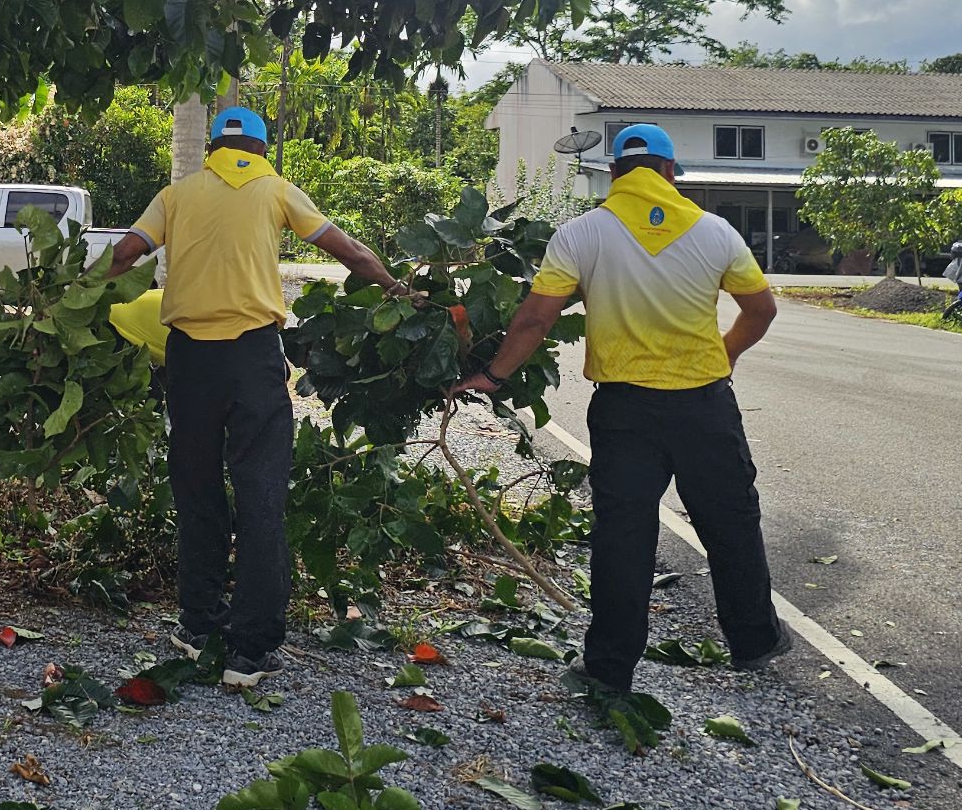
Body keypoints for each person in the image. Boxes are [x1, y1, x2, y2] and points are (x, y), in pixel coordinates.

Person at [453, 123, 787, 691]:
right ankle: (755, 641)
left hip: (625, 412)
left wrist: (493, 374)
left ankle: (609, 668)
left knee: (623, 535)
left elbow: (536, 318)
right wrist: (724, 355)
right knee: (730, 521)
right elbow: (761, 311)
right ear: (670, 172)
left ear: (614, 174)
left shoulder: (582, 234)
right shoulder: (716, 232)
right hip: (705, 407)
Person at [106, 107, 409, 688]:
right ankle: (250, 650)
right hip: (252, 357)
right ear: (263, 148)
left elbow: (125, 253)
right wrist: (398, 289)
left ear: (211, 149)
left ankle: (199, 624)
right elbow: (349, 252)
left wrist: (74, 296)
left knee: (196, 487)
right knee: (261, 494)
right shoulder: (278, 191)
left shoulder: (176, 196)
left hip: (190, 360)